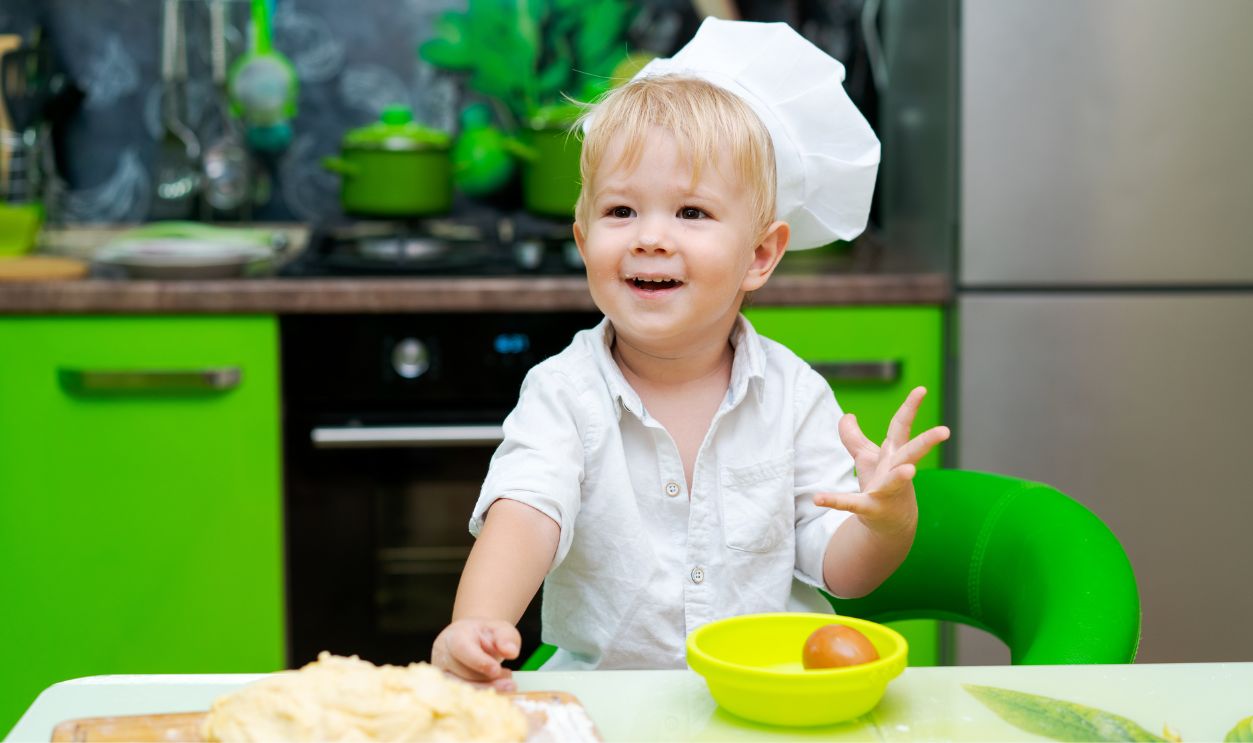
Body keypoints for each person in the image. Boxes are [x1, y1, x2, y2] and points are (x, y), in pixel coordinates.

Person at [431, 18, 950, 689]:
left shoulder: (792, 393)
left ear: (760, 254)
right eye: (620, 211)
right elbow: (527, 513)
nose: (650, 237)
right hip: (611, 705)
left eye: (691, 213)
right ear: (583, 241)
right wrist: (474, 623)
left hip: (766, 701)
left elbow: (841, 573)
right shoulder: (562, 391)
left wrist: (885, 521)